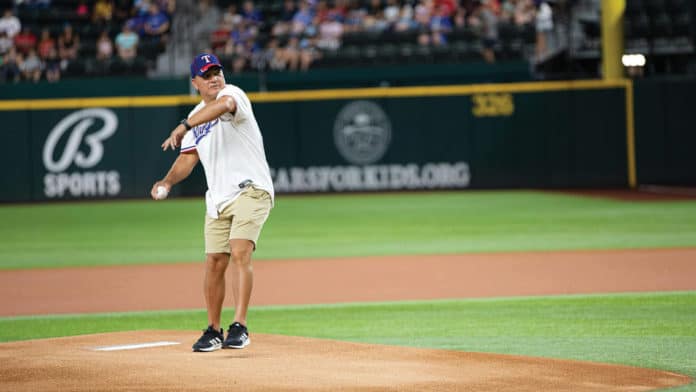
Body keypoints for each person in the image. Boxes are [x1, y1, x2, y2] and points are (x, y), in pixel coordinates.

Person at [151, 53, 274, 352]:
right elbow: (187, 158)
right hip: (218, 199)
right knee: (214, 262)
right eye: (206, 75)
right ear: (195, 82)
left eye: (217, 71)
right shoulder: (196, 115)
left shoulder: (233, 95)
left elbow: (224, 106)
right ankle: (213, 330)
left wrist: (183, 125)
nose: (214, 78)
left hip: (251, 189)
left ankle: (240, 326)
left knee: (239, 249)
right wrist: (167, 181)